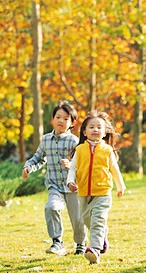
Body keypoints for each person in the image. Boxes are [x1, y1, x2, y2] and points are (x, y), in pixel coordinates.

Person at [22, 101, 87, 256]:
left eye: (66, 119)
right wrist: (28, 167)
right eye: (58, 117)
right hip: (54, 186)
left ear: (72, 123)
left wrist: (71, 164)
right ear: (52, 119)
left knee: (77, 218)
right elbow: (38, 158)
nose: (61, 121)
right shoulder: (45, 139)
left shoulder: (75, 141)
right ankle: (57, 242)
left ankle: (81, 244)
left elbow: (83, 164)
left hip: (73, 186)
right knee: (51, 207)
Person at [67, 110, 125, 264]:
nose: (95, 130)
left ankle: (94, 249)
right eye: (91, 127)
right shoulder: (79, 150)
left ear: (105, 132)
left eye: (99, 127)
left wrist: (120, 186)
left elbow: (115, 170)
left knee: (98, 220)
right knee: (87, 220)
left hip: (103, 192)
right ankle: (102, 234)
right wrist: (70, 181)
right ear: (84, 132)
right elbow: (73, 169)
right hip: (83, 192)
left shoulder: (107, 151)